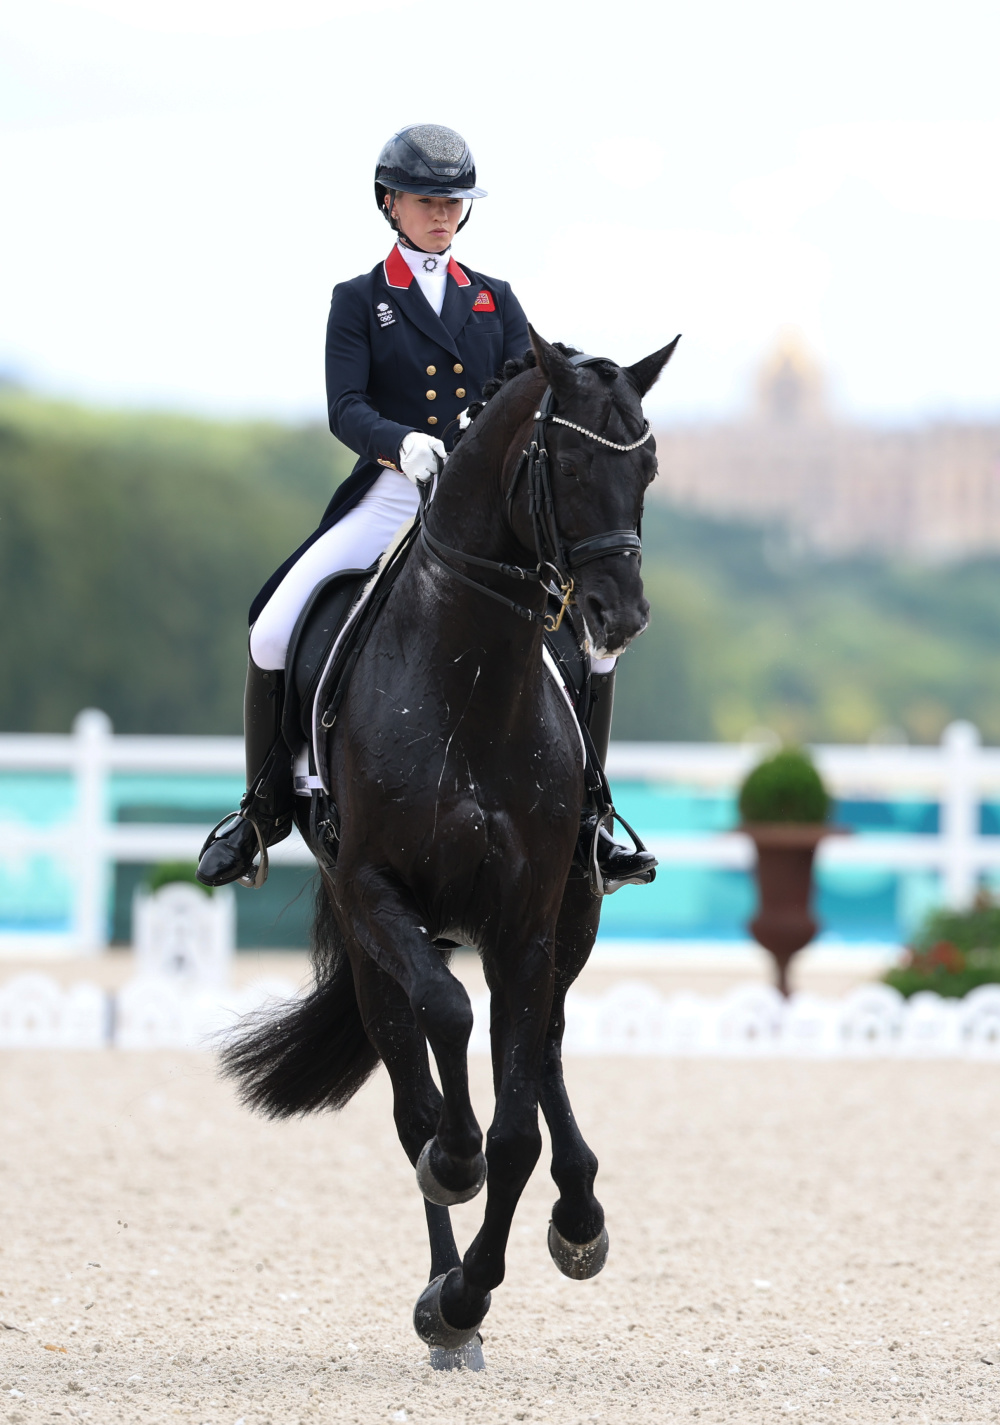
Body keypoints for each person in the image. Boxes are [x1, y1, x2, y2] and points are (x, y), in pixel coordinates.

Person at [196, 123, 656, 894]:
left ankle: (591, 820)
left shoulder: (495, 299)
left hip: (482, 504)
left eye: (453, 202)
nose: (443, 213)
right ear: (391, 203)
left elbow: (525, 383)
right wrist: (400, 443)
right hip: (391, 490)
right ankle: (262, 808)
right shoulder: (361, 301)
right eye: (427, 200)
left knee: (596, 644)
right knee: (273, 624)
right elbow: (345, 405)